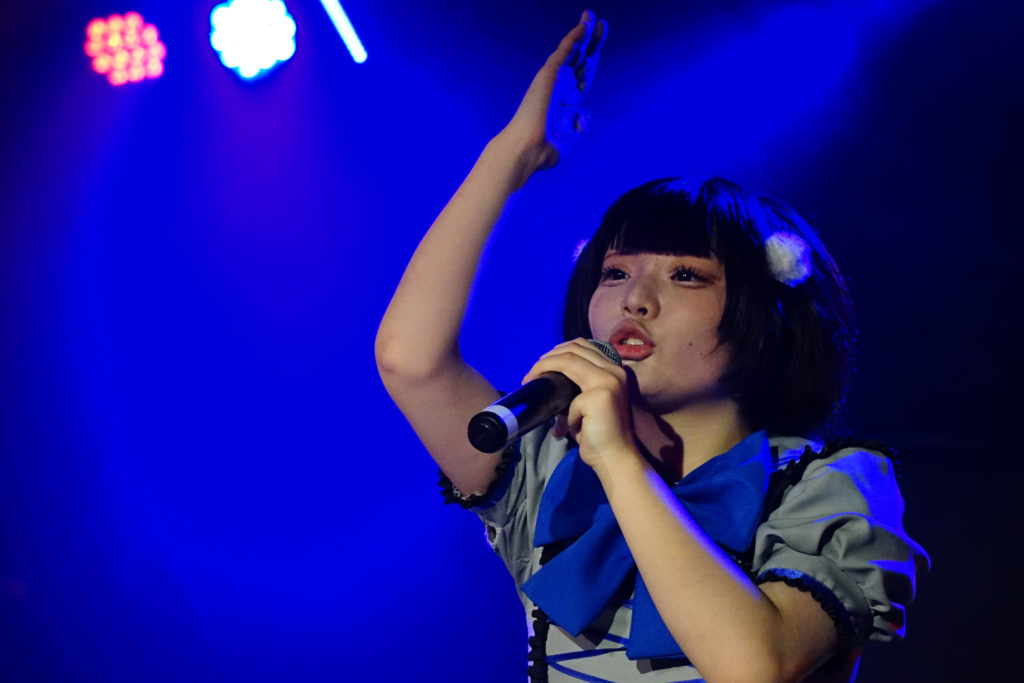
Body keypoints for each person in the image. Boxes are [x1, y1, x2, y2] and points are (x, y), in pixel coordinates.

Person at [375, 11, 928, 682]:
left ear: (764, 315)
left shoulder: (824, 486)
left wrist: (618, 458)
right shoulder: (553, 473)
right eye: (615, 273)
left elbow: (754, 667)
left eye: (685, 275)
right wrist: (514, 155)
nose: (635, 299)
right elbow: (411, 360)